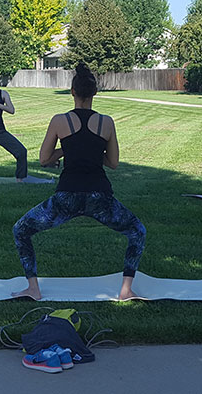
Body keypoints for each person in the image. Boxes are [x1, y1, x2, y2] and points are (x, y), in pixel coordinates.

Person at [11, 64, 145, 301]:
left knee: (21, 230)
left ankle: (33, 288)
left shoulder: (59, 121)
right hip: (99, 197)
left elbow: (44, 159)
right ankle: (126, 290)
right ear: (94, 94)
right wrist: (89, 151)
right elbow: (112, 162)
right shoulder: (107, 122)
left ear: (72, 92)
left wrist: (68, 150)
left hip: (67, 196)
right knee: (137, 231)